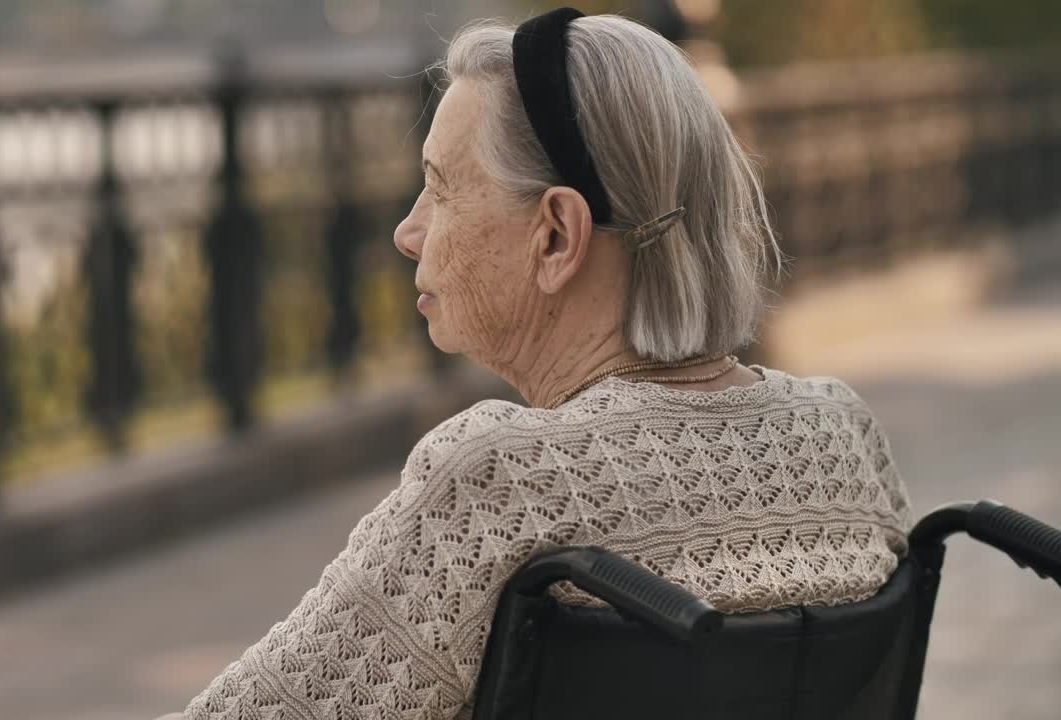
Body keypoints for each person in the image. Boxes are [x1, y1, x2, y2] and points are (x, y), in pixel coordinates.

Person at [165, 8, 912, 719]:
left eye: (439, 189)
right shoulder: (843, 438)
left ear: (555, 236)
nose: (407, 232)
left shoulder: (504, 482)